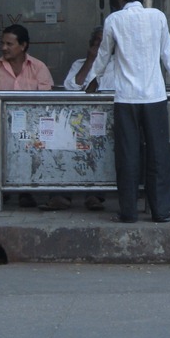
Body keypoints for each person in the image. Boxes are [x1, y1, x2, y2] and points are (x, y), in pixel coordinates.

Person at [86, 0, 170, 223]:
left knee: (128, 155)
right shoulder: (158, 17)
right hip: (154, 96)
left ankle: (128, 211)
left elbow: (103, 55)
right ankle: (161, 210)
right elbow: (168, 54)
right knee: (159, 154)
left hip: (126, 98)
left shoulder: (113, 20)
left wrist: (92, 80)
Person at [0, 24, 54, 208]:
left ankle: (26, 189)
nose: (4, 48)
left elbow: (46, 103)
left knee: (32, 141)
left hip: (32, 125)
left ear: (23, 45)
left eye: (9, 44)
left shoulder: (38, 67)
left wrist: (28, 127)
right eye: (3, 43)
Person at [62, 24, 114, 211]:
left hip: (108, 121)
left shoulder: (118, 66)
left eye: (104, 42)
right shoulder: (79, 64)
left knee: (98, 144)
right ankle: (61, 194)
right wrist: (91, 61)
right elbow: (71, 87)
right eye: (96, 42)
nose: (100, 46)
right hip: (79, 121)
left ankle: (94, 194)